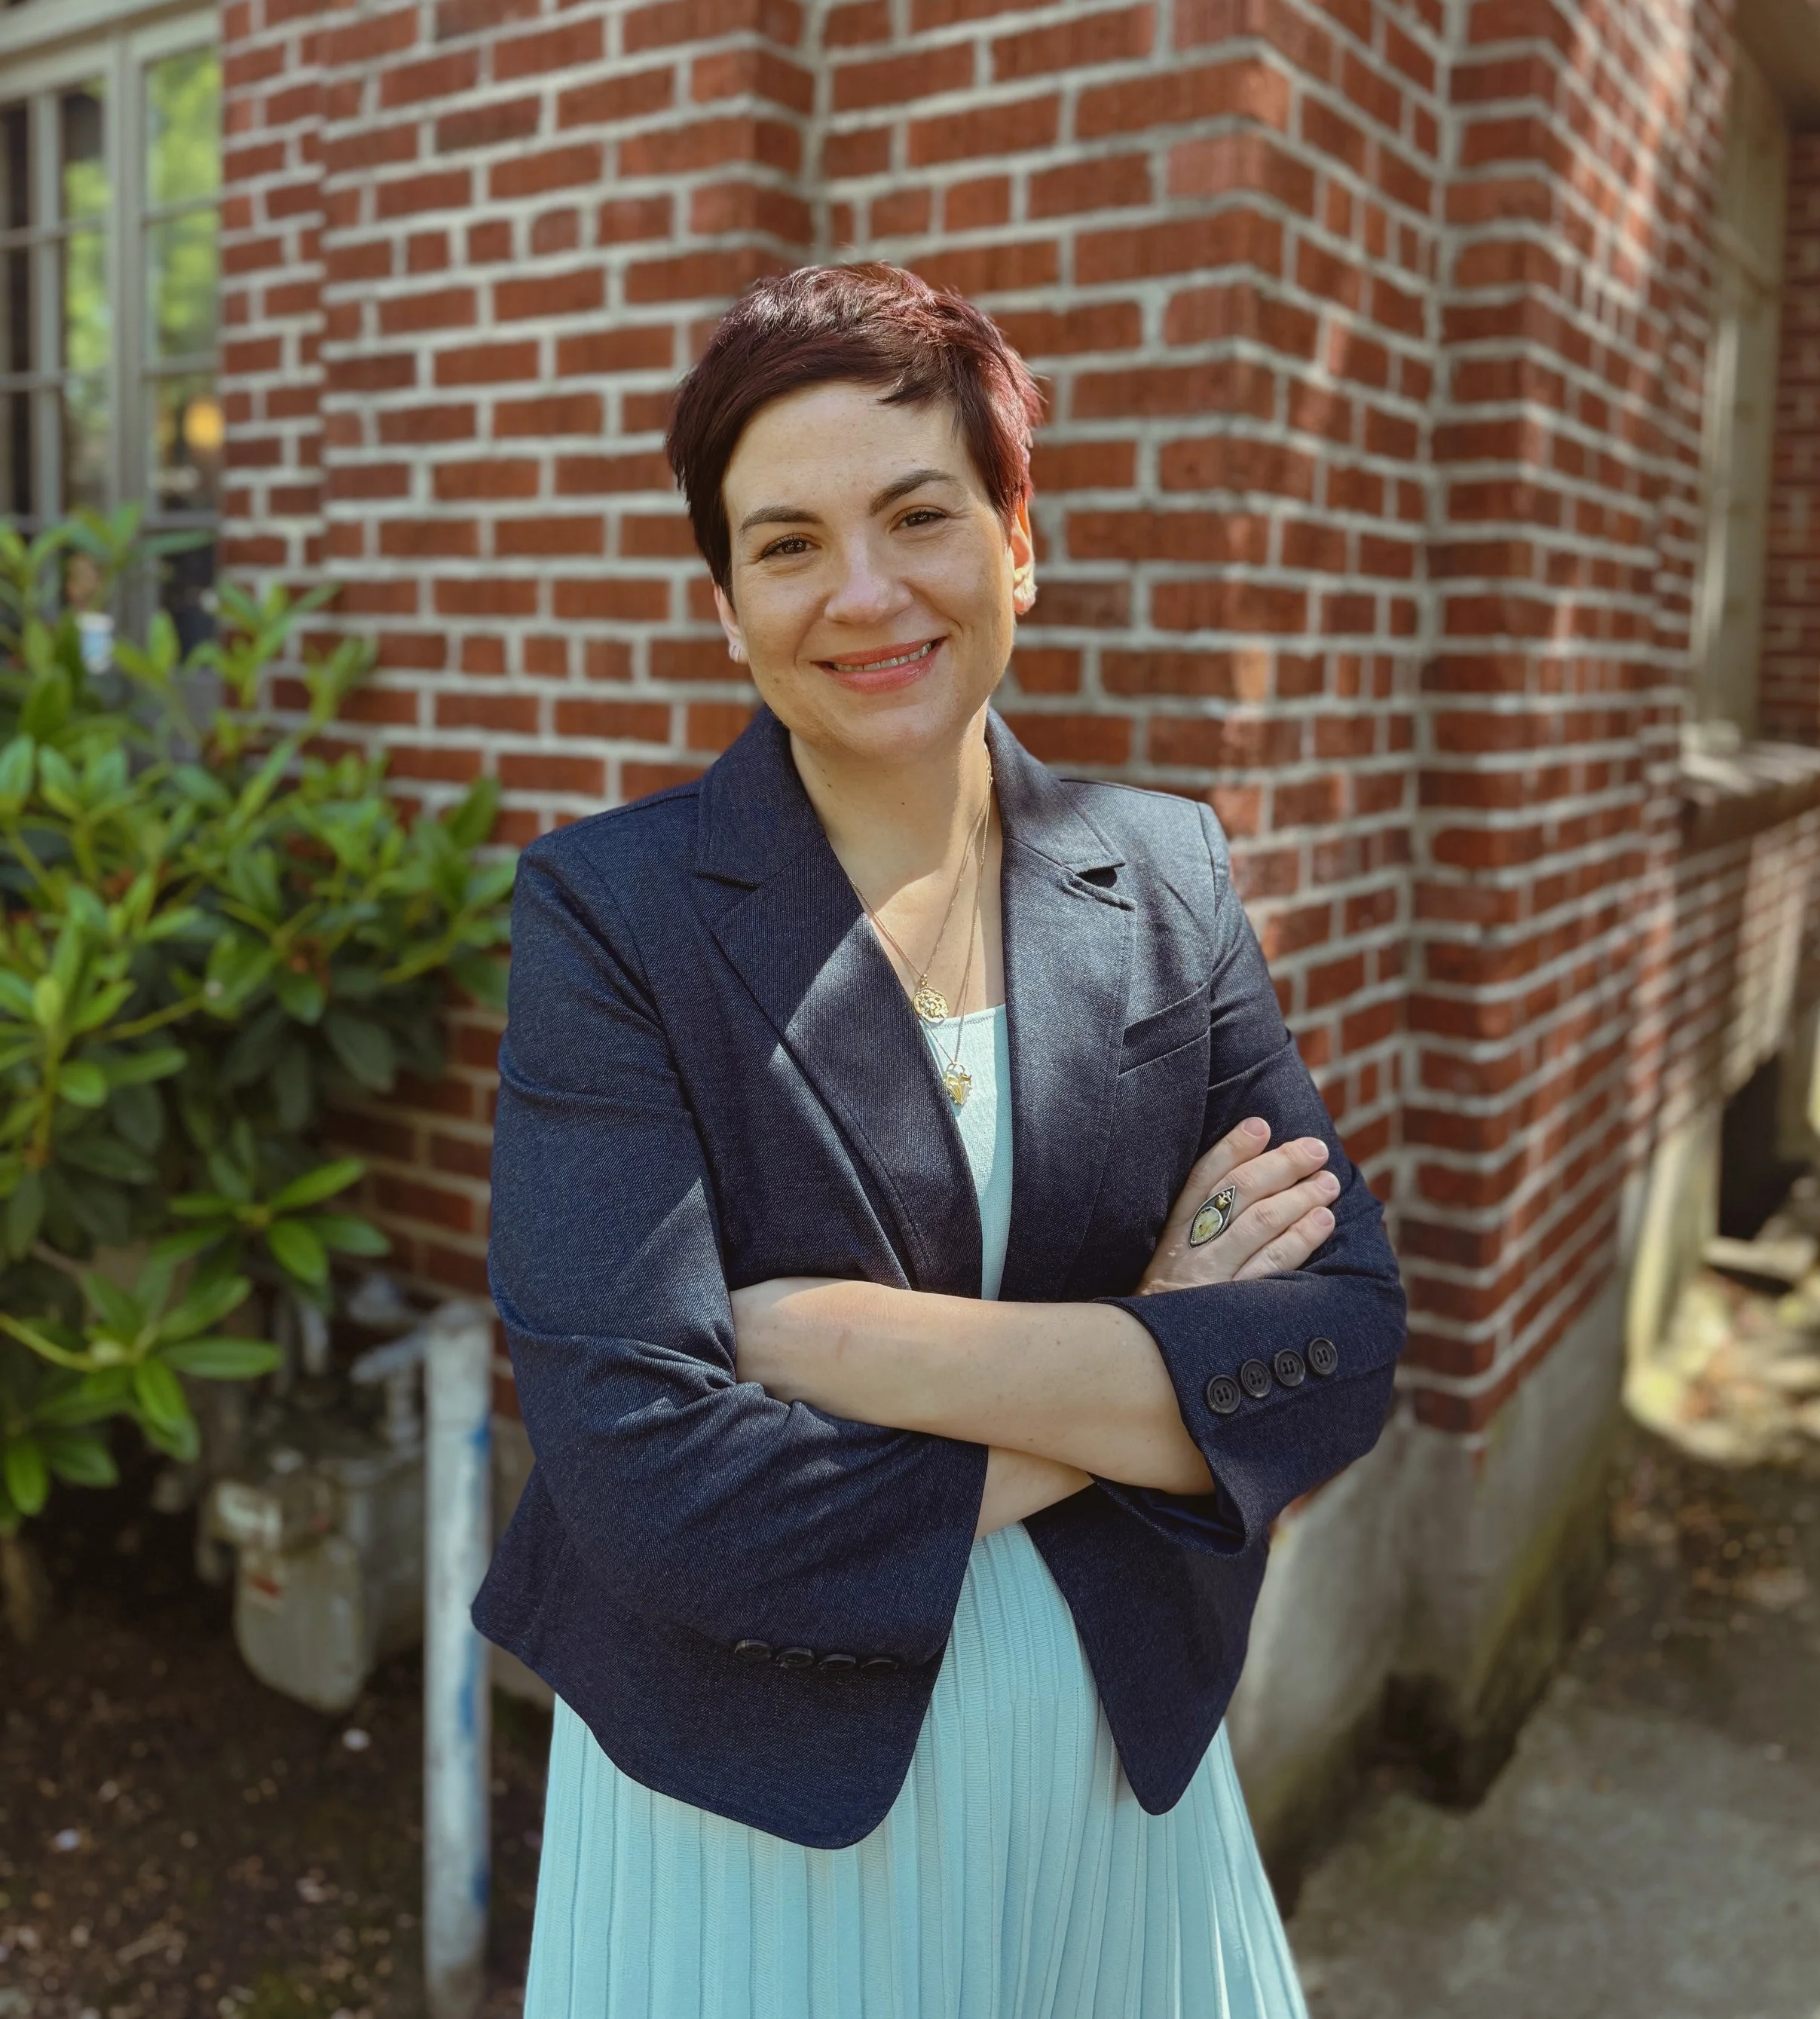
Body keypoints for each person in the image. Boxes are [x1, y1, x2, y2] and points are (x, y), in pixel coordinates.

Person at [471, 263, 1407, 2018]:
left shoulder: (1164, 875)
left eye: (918, 514)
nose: (865, 591)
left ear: (1016, 541)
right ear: (728, 601)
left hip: (1120, 1776)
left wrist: (836, 1344)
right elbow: (655, 1494)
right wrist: (1151, 1358)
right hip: (752, 1810)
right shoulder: (609, 916)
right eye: (788, 543)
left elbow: (1336, 1343)